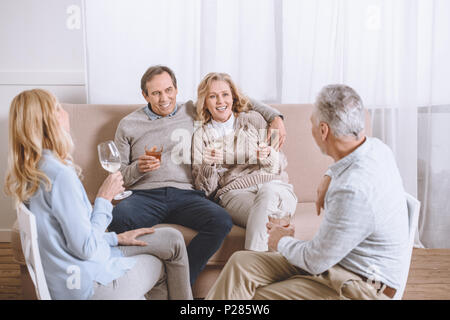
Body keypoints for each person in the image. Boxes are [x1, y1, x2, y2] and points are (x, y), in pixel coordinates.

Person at [206, 84, 409, 300]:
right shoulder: (377, 148)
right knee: (241, 262)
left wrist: (280, 241)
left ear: (323, 131)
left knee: (257, 297)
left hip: (358, 285)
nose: (309, 128)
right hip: (339, 264)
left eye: (311, 123)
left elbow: (315, 260)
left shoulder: (351, 190)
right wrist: (330, 174)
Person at [4, 89, 192, 300]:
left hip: (80, 269)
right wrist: (104, 198)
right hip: (88, 283)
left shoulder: (36, 170)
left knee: (172, 238)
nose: (64, 112)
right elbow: (85, 249)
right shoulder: (59, 176)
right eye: (58, 108)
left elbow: (70, 236)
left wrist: (116, 237)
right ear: (50, 119)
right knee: (162, 262)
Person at [109, 65, 286, 285]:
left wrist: (276, 117)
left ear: (176, 89)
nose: (164, 98)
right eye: (155, 93)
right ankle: (131, 283)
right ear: (145, 95)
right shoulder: (128, 125)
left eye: (169, 90)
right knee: (118, 218)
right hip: (145, 196)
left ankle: (180, 282)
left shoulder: (191, 110)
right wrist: (137, 168)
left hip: (186, 195)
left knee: (221, 221)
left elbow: (235, 98)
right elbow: (117, 177)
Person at [192, 72, 297, 252]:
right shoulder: (202, 135)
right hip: (235, 193)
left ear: (233, 97)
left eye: (225, 94)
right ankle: (261, 268)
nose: (220, 101)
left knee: (270, 191)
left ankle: (250, 267)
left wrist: (269, 155)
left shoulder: (254, 119)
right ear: (205, 102)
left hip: (274, 184)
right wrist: (208, 166)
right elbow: (205, 191)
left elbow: (278, 164)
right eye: (213, 96)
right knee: (271, 213)